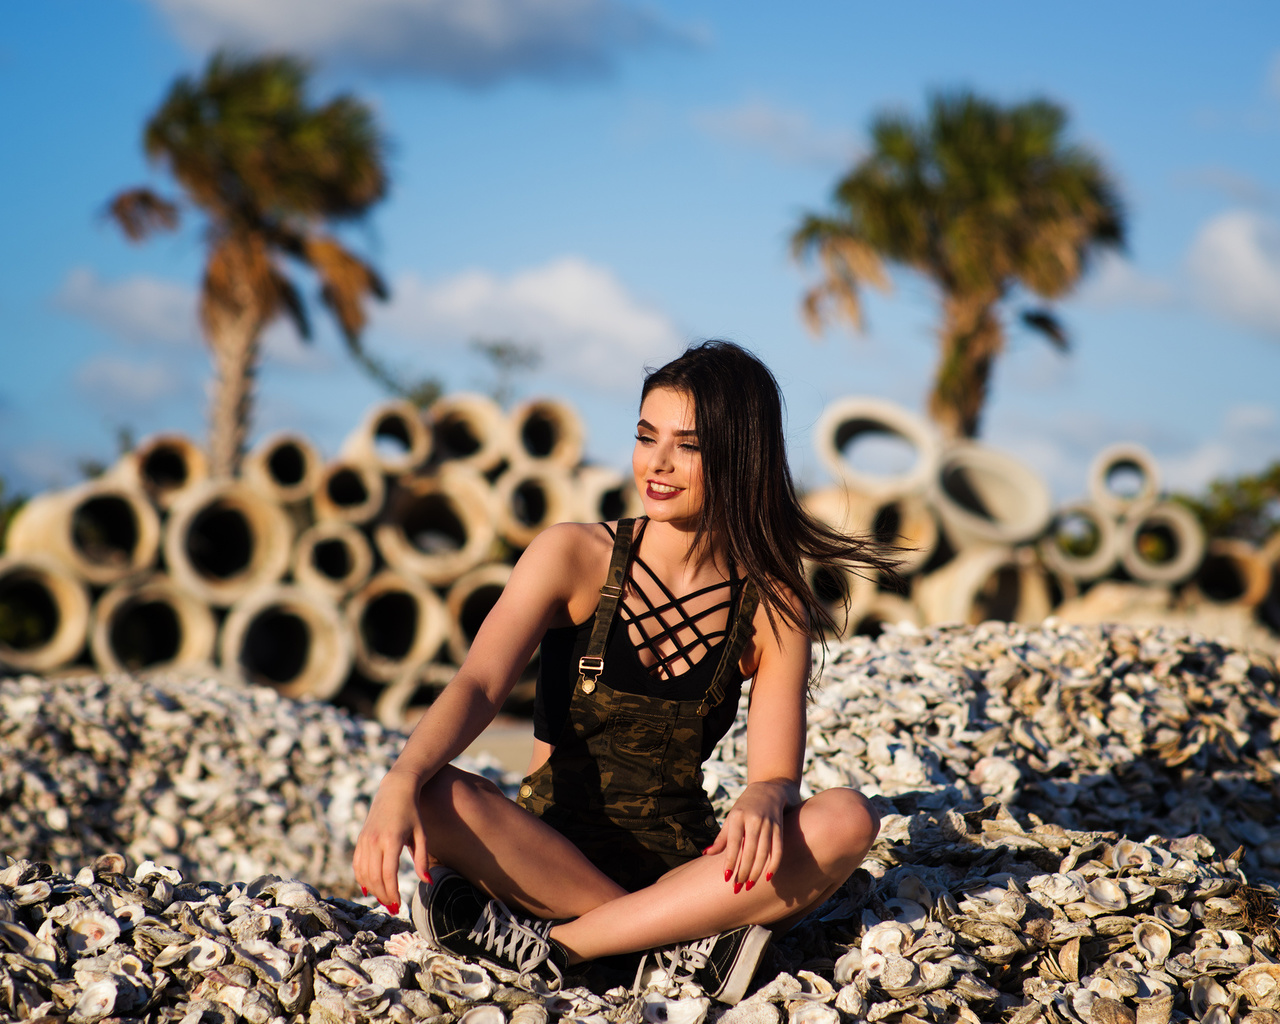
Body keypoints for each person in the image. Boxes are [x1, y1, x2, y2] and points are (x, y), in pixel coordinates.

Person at [353, 340, 890, 1004]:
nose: (656, 464)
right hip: (546, 855)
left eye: (687, 446)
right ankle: (677, 948)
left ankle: (564, 949)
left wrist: (766, 795)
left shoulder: (772, 606)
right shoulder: (573, 554)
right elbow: (479, 684)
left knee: (846, 818)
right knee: (435, 794)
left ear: (739, 456)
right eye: (645, 436)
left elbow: (777, 773)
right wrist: (401, 778)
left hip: (682, 875)